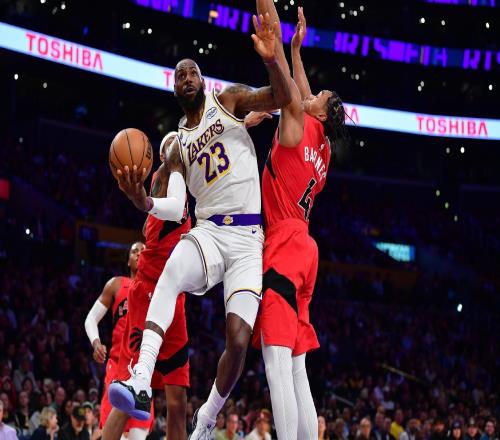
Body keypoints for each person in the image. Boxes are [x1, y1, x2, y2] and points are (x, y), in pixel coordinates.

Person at [107, 10, 291, 440]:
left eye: (192, 72)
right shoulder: (176, 145)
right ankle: (140, 379)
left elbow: (282, 96)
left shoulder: (229, 102)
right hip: (208, 232)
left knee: (239, 341)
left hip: (247, 240)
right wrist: (142, 201)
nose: (186, 77)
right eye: (179, 75)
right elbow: (175, 207)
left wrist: (271, 59)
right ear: (174, 90)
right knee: (171, 271)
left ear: (203, 81)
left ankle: (207, 418)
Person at [251, 2, 347, 440]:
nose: (311, 95)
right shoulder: (322, 147)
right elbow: (303, 94)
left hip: (285, 242)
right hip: (306, 249)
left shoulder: (296, 122)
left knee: (276, 361)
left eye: (318, 97)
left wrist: (274, 48)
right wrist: (296, 50)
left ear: (319, 113)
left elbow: (291, 92)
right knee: (296, 365)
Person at [101, 133, 191, 440]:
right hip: (150, 291)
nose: (180, 145)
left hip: (175, 295)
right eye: (174, 143)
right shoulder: (166, 173)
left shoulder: (183, 184)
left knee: (178, 399)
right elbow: (171, 208)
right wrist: (144, 201)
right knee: (129, 393)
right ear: (162, 155)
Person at [84, 241, 155, 439]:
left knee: (138, 435)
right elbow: (91, 319)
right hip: (117, 365)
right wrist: (96, 342)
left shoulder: (157, 288)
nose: (139, 253)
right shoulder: (116, 284)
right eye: (134, 251)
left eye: (143, 251)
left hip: (143, 369)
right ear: (128, 261)